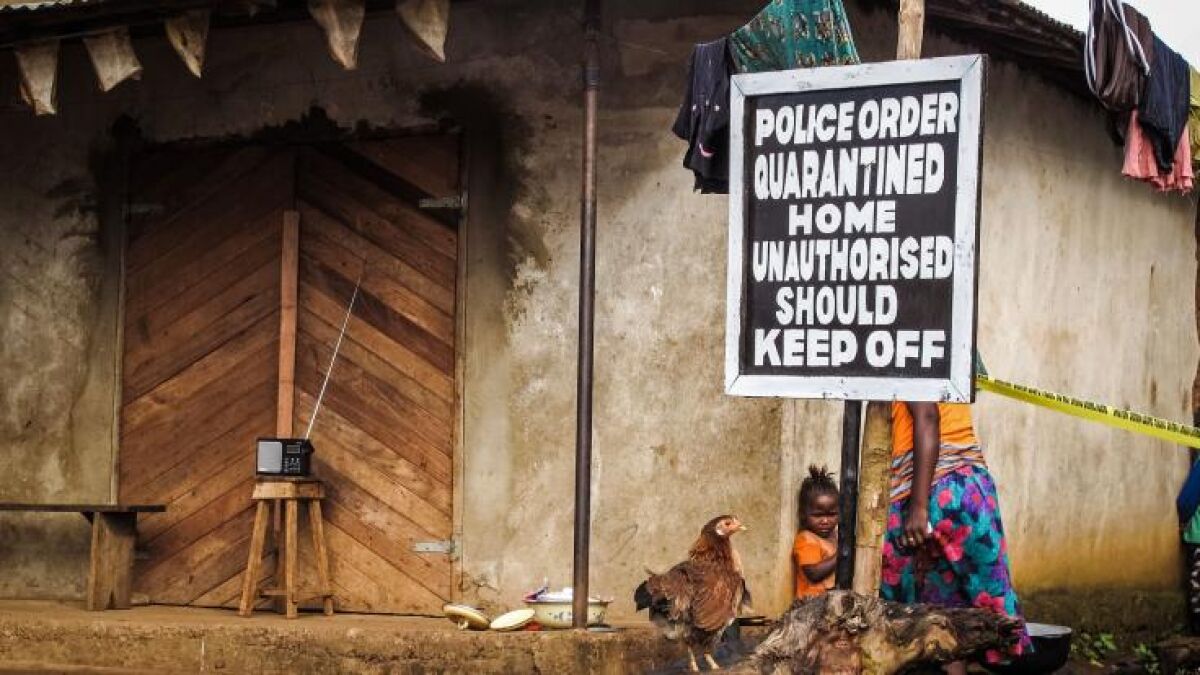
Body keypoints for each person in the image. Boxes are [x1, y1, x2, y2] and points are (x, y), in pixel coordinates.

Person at [880, 402, 1028, 672]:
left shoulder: (915, 366)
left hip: (935, 489)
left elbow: (928, 415)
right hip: (962, 488)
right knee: (946, 618)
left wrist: (919, 506)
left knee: (913, 617)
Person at [793, 465, 839, 599]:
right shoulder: (806, 540)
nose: (825, 521)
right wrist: (842, 554)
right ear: (803, 514)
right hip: (811, 605)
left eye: (832, 514)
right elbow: (813, 574)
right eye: (818, 515)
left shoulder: (834, 536)